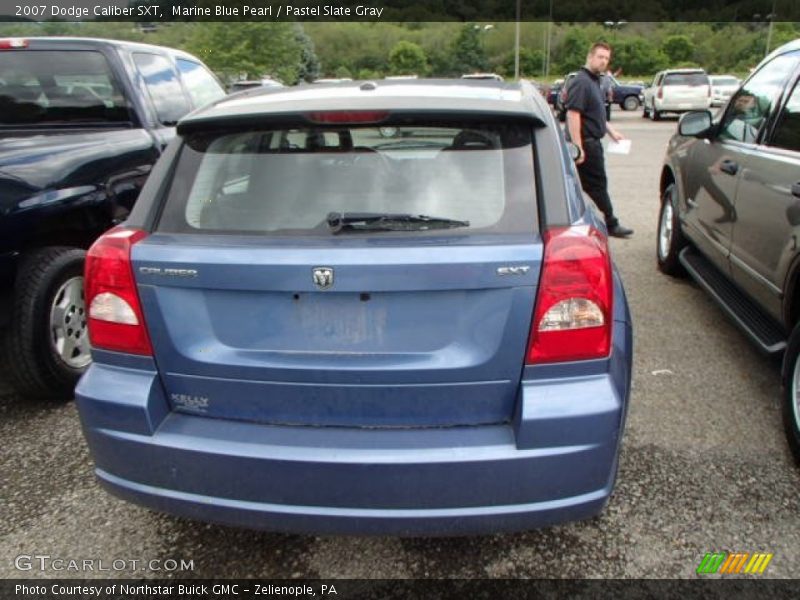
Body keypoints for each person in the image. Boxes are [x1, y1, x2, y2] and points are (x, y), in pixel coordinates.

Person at [565, 42, 633, 238]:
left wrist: (611, 131)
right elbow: (573, 114)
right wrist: (578, 147)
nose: (603, 61)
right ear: (590, 56)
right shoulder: (581, 81)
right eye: (600, 57)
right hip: (586, 143)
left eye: (606, 58)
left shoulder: (596, 81)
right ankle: (610, 223)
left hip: (592, 141)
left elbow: (596, 113)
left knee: (583, 185)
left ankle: (584, 221)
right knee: (596, 185)